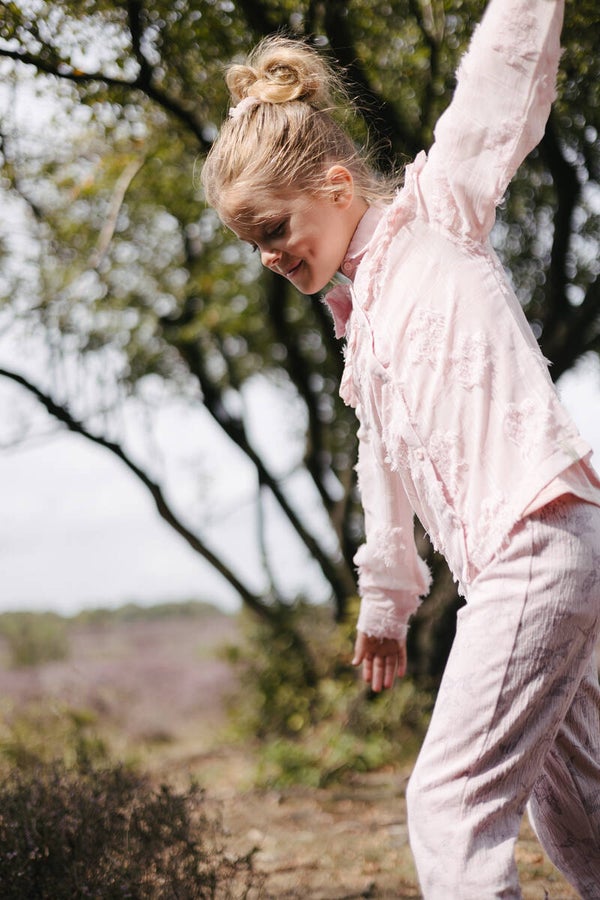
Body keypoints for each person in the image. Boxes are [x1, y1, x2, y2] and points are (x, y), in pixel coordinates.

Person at [201, 0, 600, 895]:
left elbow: (504, 80)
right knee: (577, 811)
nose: (267, 257)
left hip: (539, 536)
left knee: (448, 802)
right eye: (251, 243)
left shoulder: (438, 216)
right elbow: (384, 469)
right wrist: (384, 602)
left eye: (273, 229)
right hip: (534, 557)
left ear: (339, 186)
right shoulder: (365, 325)